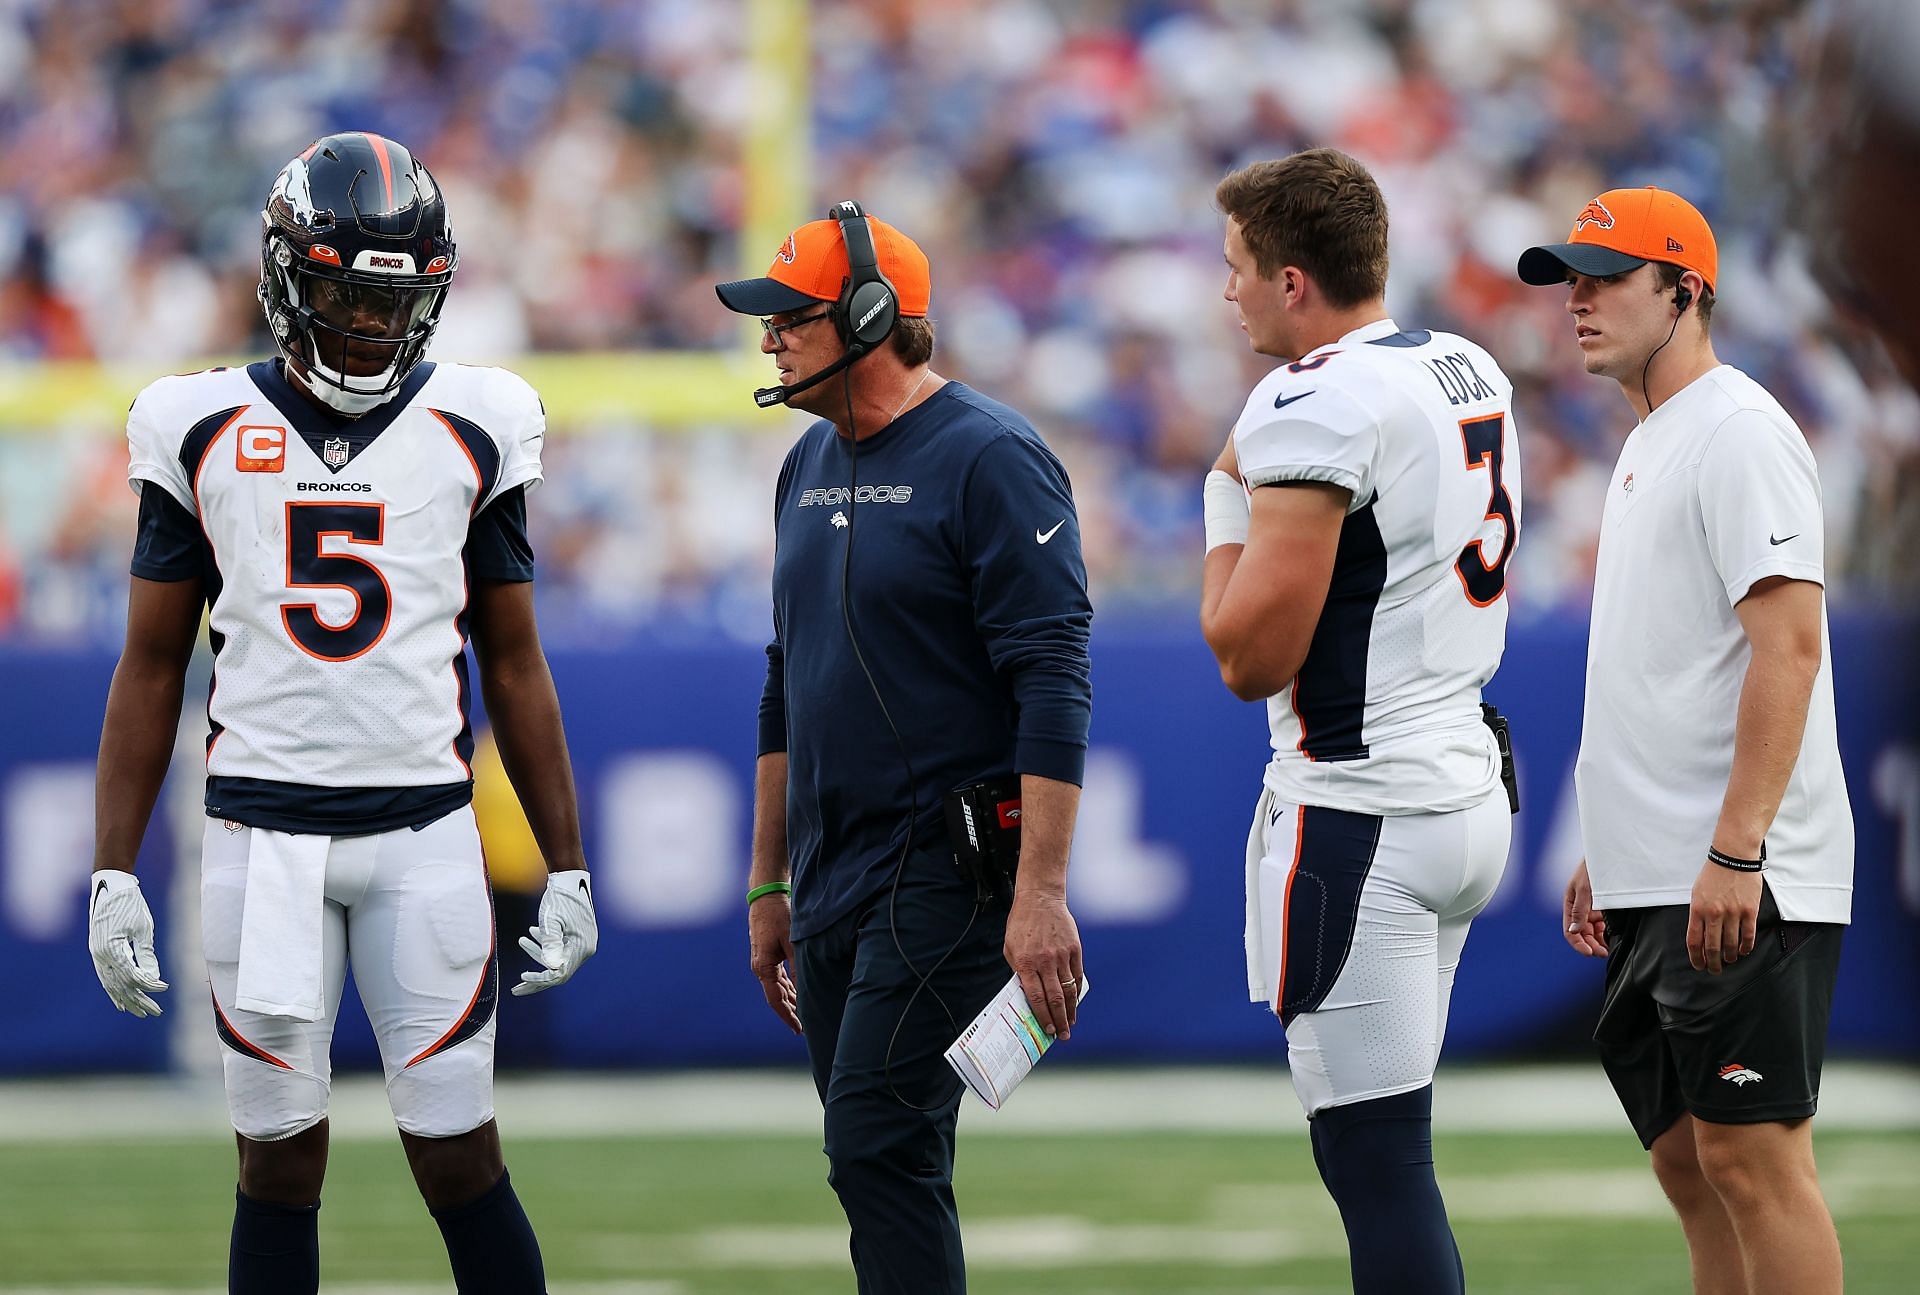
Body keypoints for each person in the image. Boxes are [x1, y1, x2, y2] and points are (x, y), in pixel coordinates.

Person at [85, 132, 597, 1295]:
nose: (369, 325)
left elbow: (515, 660)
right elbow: (151, 661)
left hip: (426, 833)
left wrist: (565, 861)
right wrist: (114, 865)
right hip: (263, 838)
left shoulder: (478, 417)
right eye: (342, 295)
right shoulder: (197, 420)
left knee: (461, 1153)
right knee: (276, 1159)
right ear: (281, 278)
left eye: (392, 302)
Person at [716, 202, 1092, 1294]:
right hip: (832, 872)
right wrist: (768, 878)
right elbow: (785, 682)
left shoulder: (992, 458)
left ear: (871, 314)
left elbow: (1054, 679)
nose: (771, 334)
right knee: (886, 1156)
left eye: (792, 314)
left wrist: (1042, 891)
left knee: (875, 1142)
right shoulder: (802, 466)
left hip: (947, 869)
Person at [1519, 187, 1853, 1295]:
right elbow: (1672, 669)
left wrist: (1739, 847)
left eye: (1605, 276)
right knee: (1690, 1161)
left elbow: (1789, 649)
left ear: (1686, 289)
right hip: (1662, 861)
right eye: (1570, 277)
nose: (1577, 298)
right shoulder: (1656, 438)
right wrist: (1609, 845)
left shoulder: (1740, 429)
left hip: (1739, 869)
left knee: (1754, 1159)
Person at [1200, 148, 1521, 1293]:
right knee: (1392, 1147)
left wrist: (1217, 504)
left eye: (1237, 266)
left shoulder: (1314, 395)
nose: (1224, 289)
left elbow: (1248, 654)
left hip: (1362, 815)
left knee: (1377, 1161)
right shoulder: (1461, 361)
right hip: (1465, 787)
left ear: (1294, 280)